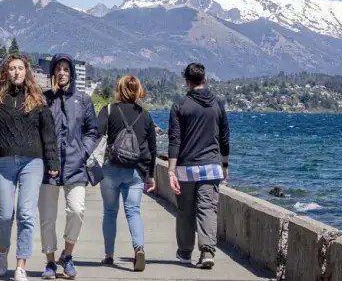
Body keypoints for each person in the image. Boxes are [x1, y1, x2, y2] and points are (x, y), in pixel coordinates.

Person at [0, 54, 60, 281]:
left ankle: (21, 263)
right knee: (3, 214)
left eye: (20, 68)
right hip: (2, 163)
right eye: (12, 68)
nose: (16, 72)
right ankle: (3, 250)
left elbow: (48, 135)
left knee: (26, 213)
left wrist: (53, 162)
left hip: (33, 162)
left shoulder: (37, 101)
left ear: (26, 71)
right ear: (5, 72)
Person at [39, 54, 98, 279]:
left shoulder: (83, 100)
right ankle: (51, 262)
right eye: (58, 69)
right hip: (48, 168)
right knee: (47, 217)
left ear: (71, 73)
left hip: (76, 167)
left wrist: (82, 152)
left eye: (66, 69)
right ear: (52, 72)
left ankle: (68, 254)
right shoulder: (44, 100)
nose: (62, 73)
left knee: (76, 210)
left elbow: (92, 131)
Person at [167, 63, 230, 269]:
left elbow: (174, 140)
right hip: (211, 167)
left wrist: (170, 170)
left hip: (186, 169)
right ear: (205, 79)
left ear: (187, 81)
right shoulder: (217, 104)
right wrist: (225, 164)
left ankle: (185, 252)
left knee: (185, 211)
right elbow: (224, 138)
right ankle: (207, 252)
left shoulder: (180, 105)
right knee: (207, 209)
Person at [96, 75, 158, 272]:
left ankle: (108, 255)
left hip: (111, 169)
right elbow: (152, 148)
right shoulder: (145, 115)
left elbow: (96, 134)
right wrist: (150, 175)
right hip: (136, 171)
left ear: (119, 89)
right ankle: (139, 248)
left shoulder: (109, 110)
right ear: (138, 90)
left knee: (110, 212)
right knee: (133, 211)